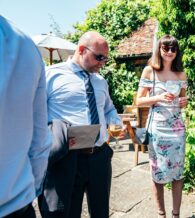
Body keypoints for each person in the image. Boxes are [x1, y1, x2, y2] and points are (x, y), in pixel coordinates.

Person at [40, 31, 123, 218]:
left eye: (106, 59)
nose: (102, 63)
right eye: (99, 57)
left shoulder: (101, 81)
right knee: (69, 212)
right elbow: (35, 115)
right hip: (67, 158)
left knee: (101, 212)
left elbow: (109, 109)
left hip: (100, 156)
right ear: (81, 50)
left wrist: (116, 122)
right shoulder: (50, 75)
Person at [0, 15, 50, 218]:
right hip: (16, 206)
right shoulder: (25, 45)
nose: (103, 62)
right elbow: (39, 140)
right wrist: (30, 190)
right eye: (99, 57)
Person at [134, 35, 189, 218]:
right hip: (157, 129)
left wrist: (183, 102)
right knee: (157, 173)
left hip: (177, 129)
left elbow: (183, 101)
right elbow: (139, 101)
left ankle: (175, 214)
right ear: (159, 50)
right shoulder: (150, 71)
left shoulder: (181, 74)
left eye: (174, 49)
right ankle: (161, 214)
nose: (170, 52)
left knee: (178, 173)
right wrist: (158, 97)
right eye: (166, 48)